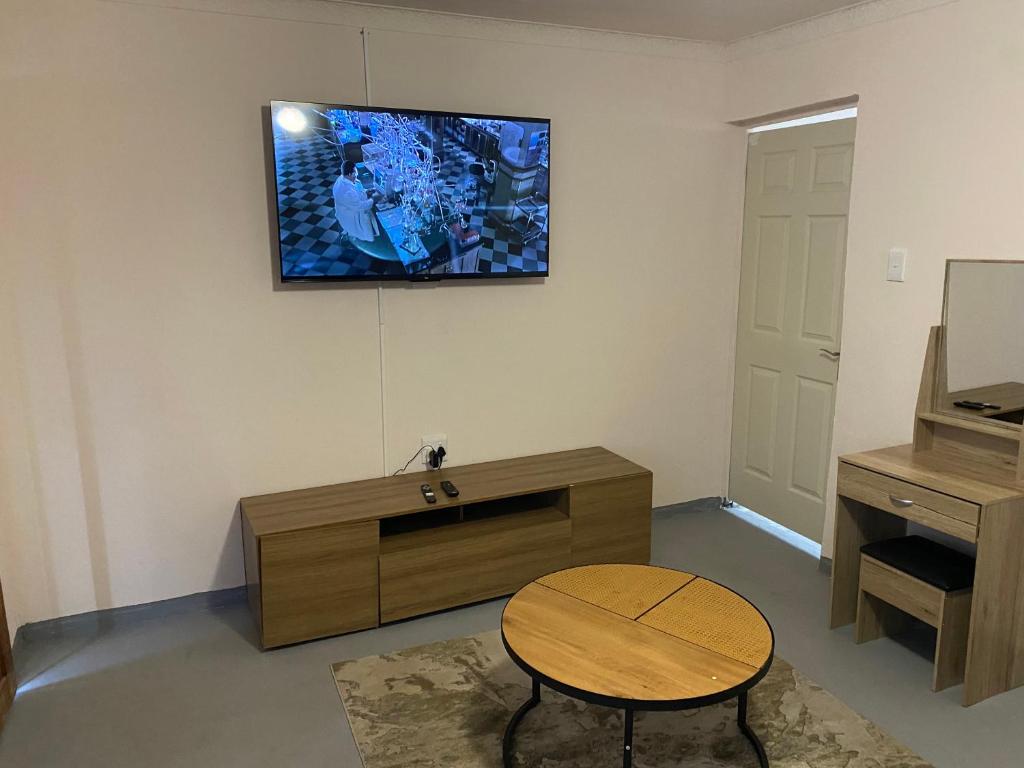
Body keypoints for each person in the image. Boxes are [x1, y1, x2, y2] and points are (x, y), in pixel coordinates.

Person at [333, 160, 379, 242]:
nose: (356, 176)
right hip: (351, 216)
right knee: (367, 215)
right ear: (350, 174)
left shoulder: (342, 178)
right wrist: (373, 199)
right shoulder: (347, 192)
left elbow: (356, 192)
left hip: (348, 208)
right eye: (355, 174)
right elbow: (361, 206)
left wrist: (366, 191)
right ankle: (369, 238)